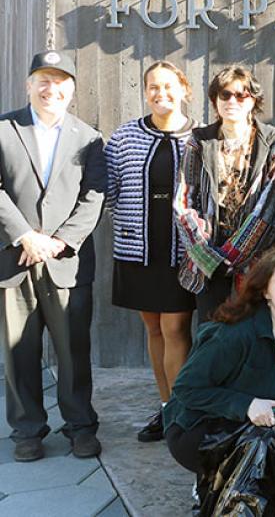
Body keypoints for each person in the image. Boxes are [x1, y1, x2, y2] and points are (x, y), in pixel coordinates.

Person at [163, 247, 275, 513]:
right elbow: (186, 389)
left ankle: (235, 483)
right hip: (200, 429)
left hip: (261, 430)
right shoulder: (235, 334)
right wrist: (248, 404)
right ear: (265, 292)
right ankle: (213, 485)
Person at [0, 50, 105, 462]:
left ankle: (80, 426)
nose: (51, 88)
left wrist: (57, 242)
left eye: (60, 81)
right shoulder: (4, 129)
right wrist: (25, 235)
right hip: (14, 258)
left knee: (73, 350)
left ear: (71, 89)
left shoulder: (89, 137)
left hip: (67, 262)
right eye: (43, 79)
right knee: (18, 349)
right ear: (29, 84)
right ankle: (26, 429)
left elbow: (94, 196)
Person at [105, 61, 195, 444]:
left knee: (176, 327)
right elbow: (109, 190)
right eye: (153, 87)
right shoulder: (125, 136)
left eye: (169, 86)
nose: (161, 94)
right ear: (145, 92)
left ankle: (181, 412)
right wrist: (130, 220)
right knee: (153, 327)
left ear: (184, 89)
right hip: (137, 246)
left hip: (180, 249)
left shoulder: (200, 137)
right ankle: (164, 406)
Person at [175, 66, 275, 321]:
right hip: (207, 260)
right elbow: (183, 200)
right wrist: (206, 254)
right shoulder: (199, 142)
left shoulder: (273, 144)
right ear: (215, 99)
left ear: (254, 100)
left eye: (241, 95)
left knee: (254, 338)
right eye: (225, 94)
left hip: (256, 261)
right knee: (210, 337)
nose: (232, 101)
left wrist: (229, 257)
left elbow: (268, 208)